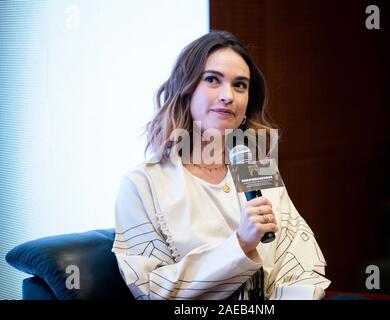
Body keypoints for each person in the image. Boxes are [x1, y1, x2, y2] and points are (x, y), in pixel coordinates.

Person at [111, 30, 331, 300]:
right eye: (213, 80)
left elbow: (299, 264)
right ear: (186, 91)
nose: (228, 95)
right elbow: (152, 290)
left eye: (240, 85)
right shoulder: (142, 184)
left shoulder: (256, 169)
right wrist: (240, 244)